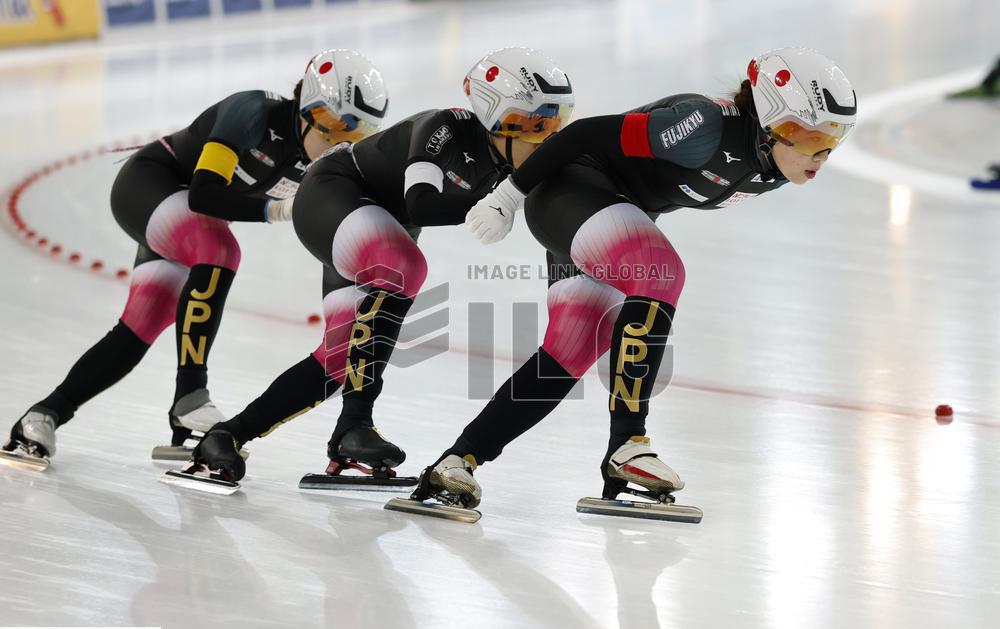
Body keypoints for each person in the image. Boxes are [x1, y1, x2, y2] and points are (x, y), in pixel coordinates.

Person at [402, 47, 858, 521]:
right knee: (660, 272)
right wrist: (506, 198)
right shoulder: (702, 126)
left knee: (570, 350)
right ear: (767, 121)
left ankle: (456, 461)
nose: (819, 153)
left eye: (833, 138)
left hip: (601, 211)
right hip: (568, 194)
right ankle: (628, 444)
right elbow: (580, 134)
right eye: (805, 134)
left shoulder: (779, 163)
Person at [175, 47, 575, 491]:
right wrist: (490, 203)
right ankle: (356, 423)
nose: (548, 138)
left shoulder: (509, 165)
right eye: (537, 124)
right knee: (405, 265)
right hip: (333, 191)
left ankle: (227, 436)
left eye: (557, 124)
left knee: (340, 357)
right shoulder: (444, 127)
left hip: (374, 227)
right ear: (498, 116)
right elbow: (419, 203)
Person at [1, 50, 388, 472]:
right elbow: (204, 195)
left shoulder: (323, 161)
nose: (339, 141)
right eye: (333, 125)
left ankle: (43, 416)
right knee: (221, 250)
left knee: (141, 324)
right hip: (150, 184)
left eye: (355, 133)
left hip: (187, 222)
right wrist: (270, 211)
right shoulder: (253, 112)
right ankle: (191, 395)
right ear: (307, 109)